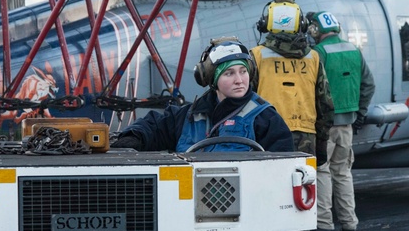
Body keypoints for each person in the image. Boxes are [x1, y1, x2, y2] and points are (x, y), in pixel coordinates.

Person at [112, 38, 293, 153]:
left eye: (243, 71)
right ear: (211, 79)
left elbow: (282, 167)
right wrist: (134, 137)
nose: (239, 80)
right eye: (229, 73)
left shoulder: (266, 118)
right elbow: (155, 127)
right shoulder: (188, 117)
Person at [307, 10, 376, 231]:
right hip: (347, 125)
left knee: (322, 170)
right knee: (343, 172)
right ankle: (349, 224)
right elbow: (369, 84)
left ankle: (324, 223)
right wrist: (360, 112)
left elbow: (312, 88)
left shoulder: (318, 53)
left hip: (324, 126)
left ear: (315, 30)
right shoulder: (354, 50)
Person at [250, 0, 334, 162]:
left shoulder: (256, 56)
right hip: (305, 135)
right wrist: (322, 140)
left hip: (266, 132)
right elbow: (325, 103)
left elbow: (246, 98)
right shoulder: (313, 57)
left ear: (266, 24)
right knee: (303, 177)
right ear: (301, 24)